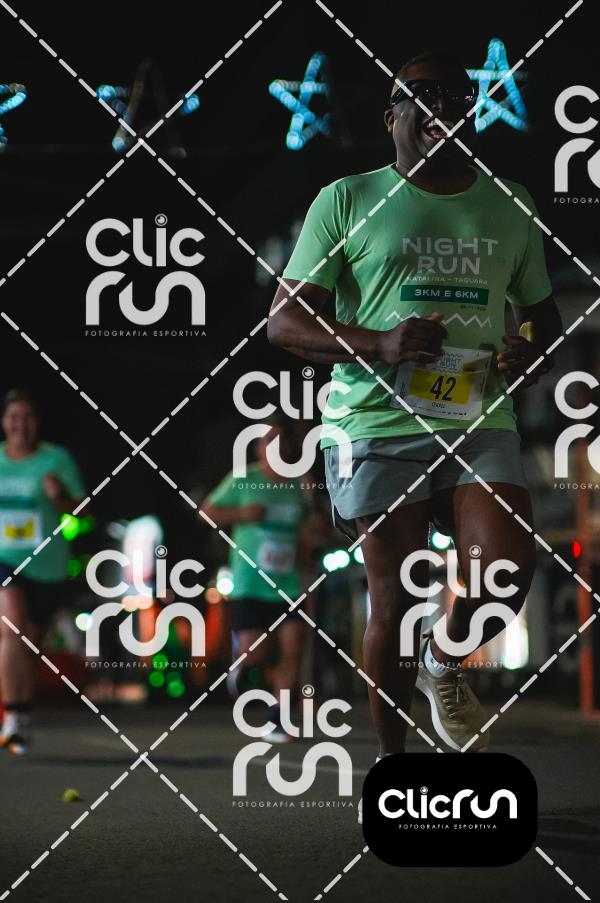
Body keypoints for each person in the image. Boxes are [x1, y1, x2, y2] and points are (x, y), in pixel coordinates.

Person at [267, 51, 562, 765]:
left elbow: (543, 322)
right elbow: (284, 321)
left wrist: (529, 352)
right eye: (421, 94)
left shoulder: (510, 200)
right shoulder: (347, 198)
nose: (441, 107)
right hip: (375, 420)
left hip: (477, 415)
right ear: (390, 115)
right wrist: (381, 342)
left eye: (456, 95)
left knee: (506, 568)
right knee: (396, 598)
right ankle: (393, 765)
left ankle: (443, 661)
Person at [201, 420, 311, 742]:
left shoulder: (299, 483)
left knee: (293, 650)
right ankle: (242, 667)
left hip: (289, 582)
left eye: (282, 440)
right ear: (258, 448)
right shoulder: (244, 478)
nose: (277, 446)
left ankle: (278, 721)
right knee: (257, 653)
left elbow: (310, 527)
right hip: (250, 581)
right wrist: (241, 514)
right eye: (268, 440)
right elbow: (206, 512)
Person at [0, 389, 86, 755]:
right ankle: (11, 714)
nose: (20, 424)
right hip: (5, 560)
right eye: (13, 417)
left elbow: (80, 509)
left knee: (30, 646)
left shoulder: (56, 459)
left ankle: (22, 714)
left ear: (36, 423)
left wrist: (59, 495)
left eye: (27, 417)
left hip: (47, 565)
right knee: (12, 627)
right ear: (4, 422)